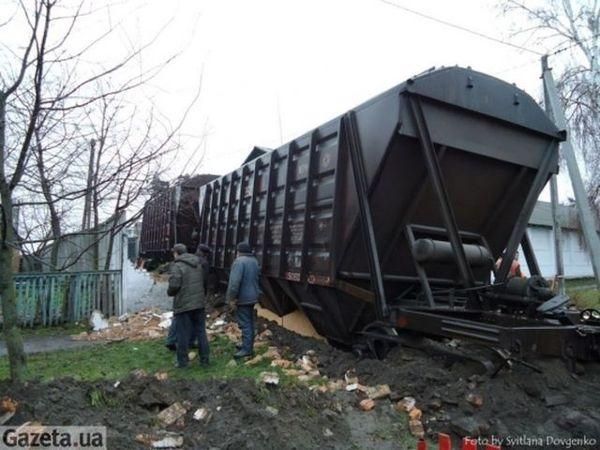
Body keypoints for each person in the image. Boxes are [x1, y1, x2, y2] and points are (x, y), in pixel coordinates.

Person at [167, 243, 210, 368]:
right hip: (199, 303)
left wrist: (170, 292)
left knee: (183, 334)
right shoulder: (198, 264)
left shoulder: (177, 266)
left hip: (184, 304)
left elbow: (174, 285)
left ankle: (183, 362)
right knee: (201, 332)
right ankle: (205, 360)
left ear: (176, 253)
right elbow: (203, 281)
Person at [226, 242, 260, 359]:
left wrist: (231, 299)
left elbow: (234, 283)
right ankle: (247, 345)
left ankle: (246, 349)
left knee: (245, 324)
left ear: (238, 252)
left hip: (243, 297)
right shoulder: (254, 261)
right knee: (249, 322)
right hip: (253, 296)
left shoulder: (239, 262)